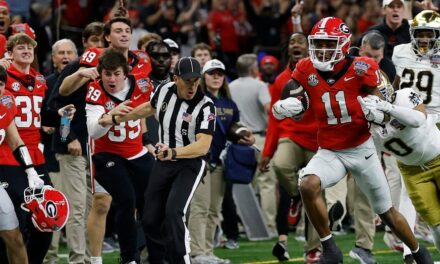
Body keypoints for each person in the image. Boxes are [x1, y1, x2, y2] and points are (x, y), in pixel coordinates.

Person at [272, 17, 433, 263]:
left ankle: (418, 251)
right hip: (330, 151)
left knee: (387, 212)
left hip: (362, 150)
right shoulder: (305, 67)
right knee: (307, 185)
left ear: (344, 44)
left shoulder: (363, 67)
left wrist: (376, 112)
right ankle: (330, 249)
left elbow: (384, 105)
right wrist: (287, 106)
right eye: (319, 44)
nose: (323, 51)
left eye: (329, 44)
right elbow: (298, 97)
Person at [56, 16, 153, 264]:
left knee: (141, 202)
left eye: (127, 30)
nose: (123, 35)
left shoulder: (141, 60)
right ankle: (95, 258)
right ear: (107, 36)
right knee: (103, 202)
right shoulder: (92, 57)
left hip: (133, 144)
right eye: (117, 30)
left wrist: (146, 136)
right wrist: (81, 74)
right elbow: (63, 90)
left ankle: (146, 253)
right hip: (101, 138)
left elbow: (147, 103)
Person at [100, 56, 215, 264]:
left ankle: (181, 260)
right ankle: (158, 260)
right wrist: (117, 118)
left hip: (190, 163)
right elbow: (148, 108)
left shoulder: (206, 106)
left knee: (174, 212)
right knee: (150, 218)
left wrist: (173, 152)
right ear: (175, 78)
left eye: (196, 80)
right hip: (164, 161)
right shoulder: (164, 90)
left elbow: (203, 146)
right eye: (188, 80)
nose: (193, 85)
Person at [0, 32, 75, 264]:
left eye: (30, 47)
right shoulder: (3, 76)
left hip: (35, 154)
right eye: (20, 47)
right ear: (9, 53)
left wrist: (58, 115)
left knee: (48, 216)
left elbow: (39, 114)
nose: (26, 51)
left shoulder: (40, 80)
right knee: (16, 222)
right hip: (8, 155)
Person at [86, 49, 153, 264]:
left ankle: (160, 254)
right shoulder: (95, 91)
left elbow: (157, 108)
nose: (111, 79)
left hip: (136, 153)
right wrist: (110, 119)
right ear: (100, 74)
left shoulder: (142, 84)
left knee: (153, 203)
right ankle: (128, 259)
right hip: (107, 154)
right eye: (107, 74)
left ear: (125, 73)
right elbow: (93, 131)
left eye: (116, 73)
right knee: (126, 200)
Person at [260, 32, 323, 263]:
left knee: (317, 194)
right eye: (292, 42)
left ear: (309, 49)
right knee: (280, 164)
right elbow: (274, 118)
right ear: (288, 50)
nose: (296, 45)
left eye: (301, 42)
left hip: (318, 140)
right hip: (291, 136)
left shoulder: (320, 73)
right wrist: (267, 151)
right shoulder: (280, 80)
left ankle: (313, 249)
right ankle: (295, 198)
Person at [358, 84, 440, 256]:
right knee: (437, 228)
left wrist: (388, 108)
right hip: (413, 173)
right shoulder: (369, 130)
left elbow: (418, 119)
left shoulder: (404, 96)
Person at [188, 59, 255, 264]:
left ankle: (207, 252)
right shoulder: (196, 99)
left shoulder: (229, 103)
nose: (216, 77)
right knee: (200, 207)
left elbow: (234, 128)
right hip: (200, 160)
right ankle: (196, 252)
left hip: (219, 161)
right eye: (211, 73)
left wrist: (245, 135)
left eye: (219, 73)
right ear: (203, 77)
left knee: (214, 210)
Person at [391, 9, 440, 261]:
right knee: (408, 190)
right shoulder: (400, 52)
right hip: (411, 123)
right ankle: (410, 248)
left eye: (428, 35)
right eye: (419, 35)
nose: (423, 40)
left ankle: (411, 249)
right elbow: (396, 85)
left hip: (436, 122)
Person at [229, 53, 276, 237]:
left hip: (237, 141)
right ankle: (269, 226)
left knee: (241, 184)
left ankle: (243, 225)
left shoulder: (230, 86)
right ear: (252, 69)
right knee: (266, 183)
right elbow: (269, 109)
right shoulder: (260, 85)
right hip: (259, 139)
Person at [42, 38, 78, 264]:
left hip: (80, 153)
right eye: (60, 53)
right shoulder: (46, 83)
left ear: (77, 55)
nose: (65, 57)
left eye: (69, 52)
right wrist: (46, 124)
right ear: (53, 58)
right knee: (53, 207)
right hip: (52, 153)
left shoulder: (84, 82)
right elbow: (42, 117)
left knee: (77, 208)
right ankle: (50, 256)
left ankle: (79, 256)